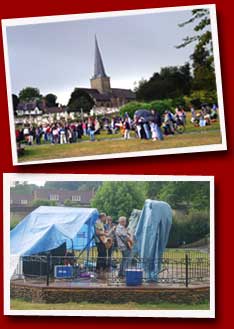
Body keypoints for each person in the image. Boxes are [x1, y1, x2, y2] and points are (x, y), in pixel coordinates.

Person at [95, 213, 108, 278]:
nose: (105, 218)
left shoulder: (101, 223)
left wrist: (104, 233)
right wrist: (105, 234)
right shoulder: (98, 222)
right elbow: (97, 232)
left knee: (102, 254)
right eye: (105, 217)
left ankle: (99, 268)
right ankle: (100, 268)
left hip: (102, 240)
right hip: (99, 241)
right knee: (102, 254)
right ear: (102, 217)